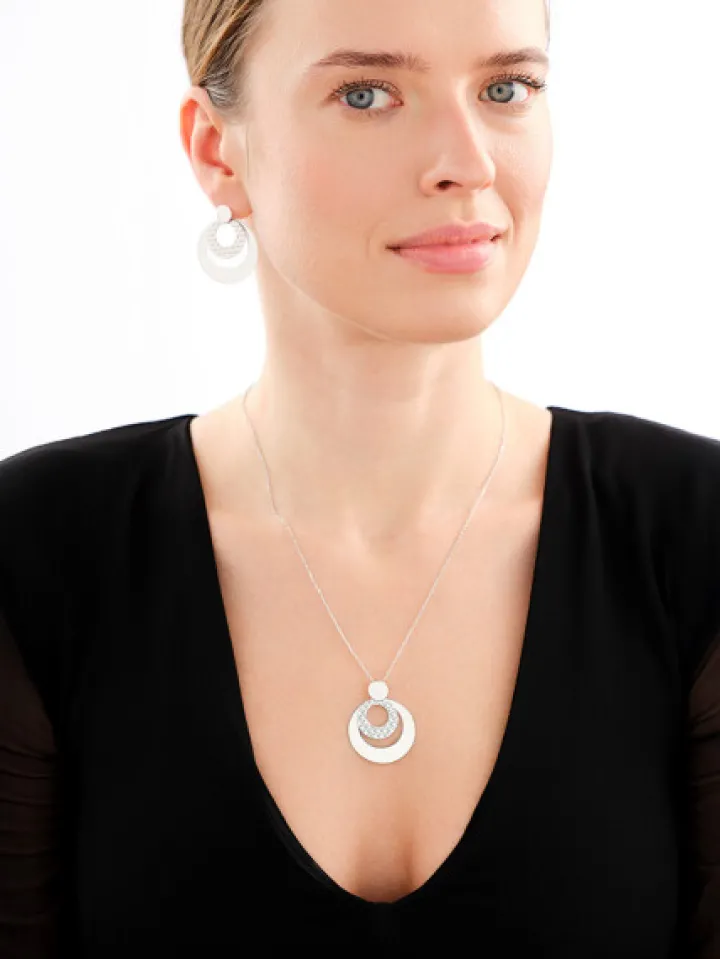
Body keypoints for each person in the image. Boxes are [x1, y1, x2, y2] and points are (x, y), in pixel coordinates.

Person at [1, 0, 719, 954]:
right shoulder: (38, 547)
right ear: (218, 151)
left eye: (507, 88)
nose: (468, 161)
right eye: (368, 94)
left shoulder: (694, 531)